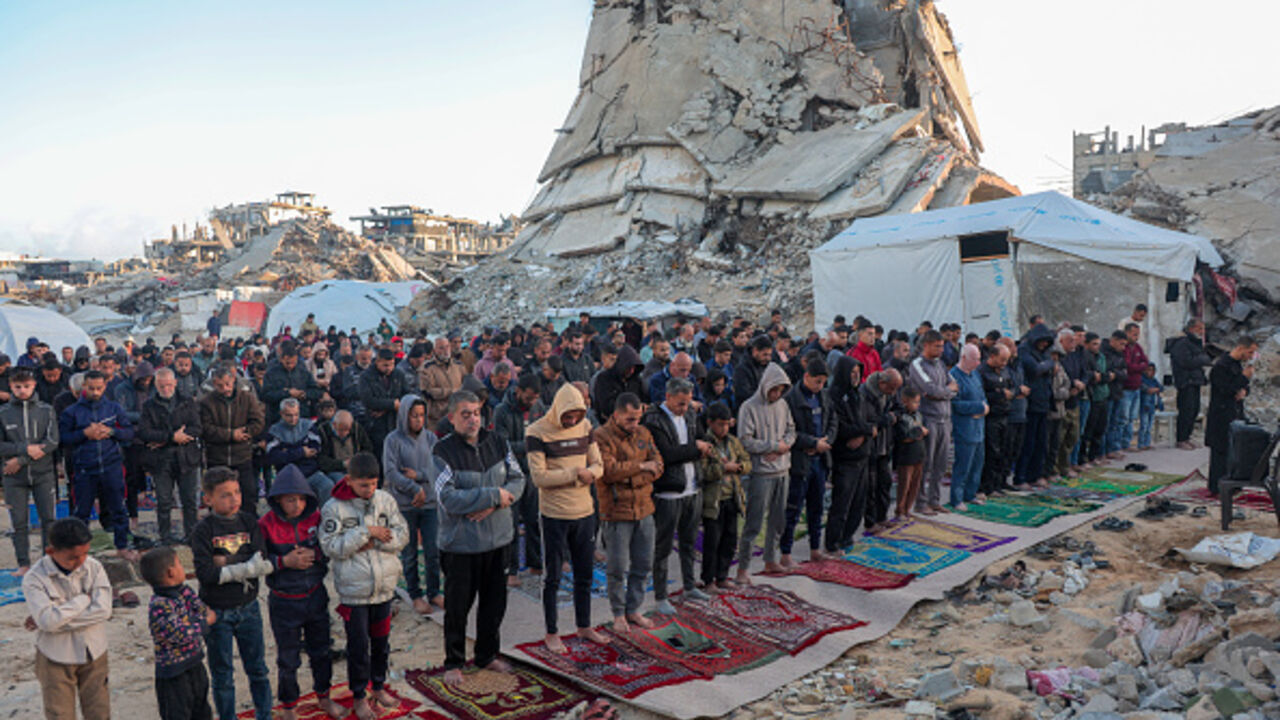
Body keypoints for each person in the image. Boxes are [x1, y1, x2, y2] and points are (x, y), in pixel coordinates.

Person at [433, 391, 524, 686]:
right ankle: (454, 661)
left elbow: (518, 479)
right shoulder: (442, 452)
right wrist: (491, 494)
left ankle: (487, 654)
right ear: (452, 418)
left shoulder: (498, 442)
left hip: (498, 540)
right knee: (458, 607)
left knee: (494, 604)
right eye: (465, 414)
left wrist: (495, 503)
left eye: (476, 413)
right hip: (461, 545)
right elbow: (447, 498)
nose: (473, 419)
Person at [318, 452, 408, 720]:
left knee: (381, 643)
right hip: (354, 592)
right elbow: (331, 546)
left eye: (373, 483)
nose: (369, 490)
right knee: (358, 647)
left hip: (384, 587)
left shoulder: (385, 500)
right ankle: (359, 695)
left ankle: (378, 687)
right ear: (349, 480)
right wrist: (363, 533)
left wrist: (379, 540)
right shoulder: (333, 508)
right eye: (363, 485)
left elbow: (401, 534)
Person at [526, 384, 606, 650]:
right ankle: (552, 632)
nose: (572, 421)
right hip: (555, 515)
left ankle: (584, 626)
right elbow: (539, 477)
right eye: (567, 416)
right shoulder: (536, 431)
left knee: (585, 574)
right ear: (558, 409)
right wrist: (575, 473)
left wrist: (591, 474)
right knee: (553, 578)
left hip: (584, 512)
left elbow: (598, 465)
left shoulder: (585, 428)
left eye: (576, 415)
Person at [256, 466, 339, 720]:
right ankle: (289, 706)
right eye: (291, 499)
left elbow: (331, 546)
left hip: (315, 595)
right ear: (278, 499)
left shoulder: (316, 519)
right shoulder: (265, 524)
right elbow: (258, 560)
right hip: (284, 601)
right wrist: (284, 562)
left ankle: (324, 696)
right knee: (288, 659)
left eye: (302, 498)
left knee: (321, 651)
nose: (297, 504)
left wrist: (317, 554)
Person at [191, 466, 274, 720]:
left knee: (258, 669)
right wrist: (244, 565)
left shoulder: (249, 521)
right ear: (208, 499)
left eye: (236, 492)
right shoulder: (203, 531)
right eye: (225, 494)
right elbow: (206, 573)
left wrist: (226, 563)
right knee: (223, 675)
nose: (234, 499)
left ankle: (265, 714)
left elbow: (262, 562)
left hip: (249, 607)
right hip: (216, 612)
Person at [22, 518, 113, 720]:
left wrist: (55, 618)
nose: (80, 561)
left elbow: (104, 610)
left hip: (94, 651)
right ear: (50, 551)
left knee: (99, 711)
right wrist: (82, 600)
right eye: (72, 557)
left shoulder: (94, 567)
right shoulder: (34, 578)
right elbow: (47, 622)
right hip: (55, 656)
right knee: (59, 713)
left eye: (85, 553)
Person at [593, 392, 662, 632]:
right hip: (616, 512)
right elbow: (609, 472)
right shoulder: (601, 436)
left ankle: (634, 609)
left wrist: (632, 476)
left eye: (637, 418)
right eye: (629, 420)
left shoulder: (644, 433)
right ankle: (618, 613)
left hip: (644, 509)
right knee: (617, 568)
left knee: (643, 564)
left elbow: (659, 465)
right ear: (616, 415)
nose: (635, 424)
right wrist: (642, 468)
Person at [642, 377, 710, 612]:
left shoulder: (689, 414)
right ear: (668, 397)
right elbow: (667, 454)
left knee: (689, 543)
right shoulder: (654, 420)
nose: (685, 408)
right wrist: (696, 449)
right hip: (668, 493)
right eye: (680, 404)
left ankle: (689, 585)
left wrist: (702, 446)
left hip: (692, 487)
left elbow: (700, 438)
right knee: (663, 547)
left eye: (688, 403)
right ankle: (661, 596)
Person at [60, 370, 135, 557]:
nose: (95, 392)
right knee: (81, 513)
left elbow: (129, 433)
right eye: (91, 388)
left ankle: (122, 546)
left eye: (99, 388)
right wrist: (85, 434)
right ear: (84, 386)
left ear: (105, 387)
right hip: (84, 468)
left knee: (118, 509)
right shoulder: (72, 412)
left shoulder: (114, 408)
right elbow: (63, 439)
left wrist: (111, 432)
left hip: (111, 465)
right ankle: (78, 550)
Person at [734, 363, 795, 582]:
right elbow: (746, 440)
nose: (776, 394)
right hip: (761, 473)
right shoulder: (748, 407)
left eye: (780, 390)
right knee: (754, 522)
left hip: (782, 470)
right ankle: (743, 569)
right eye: (774, 389)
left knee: (778, 520)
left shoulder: (783, 405)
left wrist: (783, 447)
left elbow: (791, 430)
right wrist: (772, 446)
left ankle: (771, 559)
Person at [383, 395, 443, 616]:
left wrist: (419, 477)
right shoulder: (393, 440)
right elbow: (391, 472)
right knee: (409, 553)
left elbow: (439, 468)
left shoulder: (431, 438)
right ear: (404, 416)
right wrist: (413, 488)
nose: (418, 420)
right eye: (414, 416)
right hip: (405, 504)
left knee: (433, 550)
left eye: (421, 416)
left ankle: (435, 591)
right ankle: (416, 594)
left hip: (429, 502)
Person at [141, 546, 214, 720]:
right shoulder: (159, 605)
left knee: (202, 709)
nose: (183, 568)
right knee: (177, 713)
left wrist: (199, 619)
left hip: (195, 663)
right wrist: (205, 623)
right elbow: (180, 633)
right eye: (180, 564)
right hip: (174, 673)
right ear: (171, 572)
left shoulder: (184, 592)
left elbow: (201, 609)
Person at [1, 368, 58, 573]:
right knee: (19, 522)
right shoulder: (3, 413)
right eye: (18, 387)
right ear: (10, 386)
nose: (22, 391)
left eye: (26, 386)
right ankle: (23, 563)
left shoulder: (46, 409)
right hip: (13, 476)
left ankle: (48, 561)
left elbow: (52, 442)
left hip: (43, 474)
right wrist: (24, 449)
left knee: (48, 519)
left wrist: (22, 459)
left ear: (33, 385)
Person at [140, 367, 204, 543]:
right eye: (162, 386)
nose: (166, 389)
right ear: (156, 385)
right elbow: (145, 433)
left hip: (187, 457)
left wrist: (174, 438)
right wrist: (171, 437)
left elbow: (197, 427)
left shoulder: (187, 402)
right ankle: (165, 536)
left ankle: (192, 535)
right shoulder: (149, 406)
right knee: (164, 501)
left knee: (190, 501)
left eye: (169, 385)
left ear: (175, 383)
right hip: (162, 460)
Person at [782, 360, 836, 564]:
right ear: (806, 377)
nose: (820, 386)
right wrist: (812, 442)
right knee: (793, 509)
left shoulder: (824, 396)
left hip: (820, 459)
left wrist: (826, 441)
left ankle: (815, 548)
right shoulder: (791, 399)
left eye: (823, 382)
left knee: (817, 507)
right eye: (817, 382)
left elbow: (833, 421)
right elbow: (788, 431)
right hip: (800, 460)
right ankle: (786, 552)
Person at [493, 373, 544, 585]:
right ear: (518, 391)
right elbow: (502, 446)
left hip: (532, 472)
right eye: (528, 397)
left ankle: (535, 563)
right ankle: (511, 569)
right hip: (511, 475)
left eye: (534, 399)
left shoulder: (538, 407)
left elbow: (543, 434)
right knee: (511, 524)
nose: (531, 402)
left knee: (533, 521)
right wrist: (529, 446)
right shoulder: (501, 411)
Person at [200, 365, 266, 517]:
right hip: (217, 457)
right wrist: (230, 434)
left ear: (234, 381)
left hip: (242, 455)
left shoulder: (247, 398)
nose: (225, 389)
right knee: (217, 496)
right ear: (214, 385)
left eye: (228, 384)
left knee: (247, 495)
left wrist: (245, 433)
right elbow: (206, 429)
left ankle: (250, 528)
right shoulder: (206, 402)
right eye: (220, 386)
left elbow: (258, 422)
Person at [699, 401, 750, 588]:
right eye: (720, 424)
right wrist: (723, 468)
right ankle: (708, 579)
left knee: (729, 540)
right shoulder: (705, 443)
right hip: (714, 500)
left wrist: (739, 468)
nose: (724, 428)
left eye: (727, 424)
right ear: (710, 423)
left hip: (732, 497)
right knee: (712, 542)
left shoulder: (733, 442)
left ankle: (722, 576)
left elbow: (746, 460)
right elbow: (703, 472)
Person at [907, 330, 956, 515]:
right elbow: (929, 390)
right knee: (925, 463)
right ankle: (920, 502)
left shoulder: (941, 364)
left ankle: (934, 500)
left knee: (941, 464)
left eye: (942, 346)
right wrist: (944, 392)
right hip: (928, 419)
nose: (941, 350)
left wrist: (942, 392)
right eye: (937, 346)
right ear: (926, 345)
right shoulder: (917, 365)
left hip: (945, 420)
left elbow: (954, 386)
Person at [825, 356, 870, 550]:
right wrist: (863, 430)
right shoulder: (834, 396)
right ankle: (833, 543)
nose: (855, 376)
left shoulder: (857, 395)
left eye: (858, 373)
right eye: (852, 373)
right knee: (841, 504)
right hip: (845, 458)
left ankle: (847, 537)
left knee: (858, 503)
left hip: (862, 456)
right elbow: (841, 428)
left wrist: (863, 432)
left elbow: (868, 423)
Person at [1206, 336, 1256, 495]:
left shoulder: (1237, 365)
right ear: (1240, 348)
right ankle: (1218, 487)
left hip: (1234, 413)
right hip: (1221, 415)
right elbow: (1224, 389)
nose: (1251, 356)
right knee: (1220, 453)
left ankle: (1233, 485)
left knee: (1234, 451)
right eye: (1250, 352)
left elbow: (1243, 387)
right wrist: (1243, 378)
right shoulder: (1221, 366)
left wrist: (1244, 391)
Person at [859, 369, 902, 532]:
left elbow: (899, 409)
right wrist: (887, 419)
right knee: (870, 486)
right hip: (871, 447)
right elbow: (866, 420)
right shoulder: (865, 393)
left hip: (885, 444)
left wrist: (893, 417)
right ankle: (870, 522)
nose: (894, 392)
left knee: (885, 483)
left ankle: (882, 517)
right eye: (891, 388)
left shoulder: (891, 392)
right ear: (881, 383)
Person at [1013, 323, 1055, 488]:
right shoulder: (1025, 350)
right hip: (1030, 404)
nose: (1044, 344)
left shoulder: (1044, 353)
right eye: (1042, 341)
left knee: (1041, 443)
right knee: (1028, 443)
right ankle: (1021, 477)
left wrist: (1047, 365)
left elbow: (1046, 365)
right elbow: (1035, 369)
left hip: (1043, 402)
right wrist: (1049, 365)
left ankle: (1036, 475)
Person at [265, 398, 329, 501]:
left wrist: (288, 452)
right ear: (281, 413)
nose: (293, 418)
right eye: (289, 415)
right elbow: (274, 457)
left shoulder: (308, 425)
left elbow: (315, 448)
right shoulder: (274, 431)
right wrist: (301, 452)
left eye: (296, 414)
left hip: (311, 472)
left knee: (328, 486)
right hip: (288, 477)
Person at [948, 345, 987, 511]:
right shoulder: (954, 377)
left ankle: (970, 494)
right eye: (975, 359)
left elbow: (982, 396)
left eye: (979, 359)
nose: (978, 363)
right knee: (963, 465)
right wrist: (978, 407)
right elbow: (955, 404)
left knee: (977, 464)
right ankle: (956, 499)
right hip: (965, 427)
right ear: (963, 358)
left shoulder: (975, 375)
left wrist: (984, 406)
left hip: (979, 426)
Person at [978, 345, 1014, 498]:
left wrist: (1011, 393)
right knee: (991, 452)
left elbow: (1012, 386)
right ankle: (986, 486)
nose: (1004, 363)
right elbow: (982, 394)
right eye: (1002, 360)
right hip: (990, 417)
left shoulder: (1005, 371)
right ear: (992, 356)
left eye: (1006, 360)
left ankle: (998, 483)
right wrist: (999, 394)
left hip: (1005, 415)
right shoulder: (981, 372)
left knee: (1003, 451)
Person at [1170, 319, 1211, 450]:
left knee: (1194, 410)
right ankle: (1181, 439)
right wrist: (1202, 359)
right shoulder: (1182, 343)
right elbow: (1186, 361)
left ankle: (1187, 437)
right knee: (1186, 411)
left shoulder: (1194, 343)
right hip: (1186, 381)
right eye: (1200, 329)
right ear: (1192, 329)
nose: (1202, 332)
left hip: (1195, 381)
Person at [358, 349, 407, 458]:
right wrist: (392, 404)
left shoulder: (398, 374)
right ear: (377, 362)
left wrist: (388, 407)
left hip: (396, 422)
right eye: (385, 365)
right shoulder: (366, 377)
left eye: (392, 365)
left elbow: (406, 395)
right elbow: (368, 400)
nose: (389, 368)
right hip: (375, 425)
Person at [262, 342, 322, 427]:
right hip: (278, 418)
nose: (290, 365)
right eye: (287, 363)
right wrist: (287, 393)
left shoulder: (304, 373)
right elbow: (265, 395)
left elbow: (316, 392)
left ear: (297, 359)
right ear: (281, 359)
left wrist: (304, 394)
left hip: (302, 415)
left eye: (293, 362)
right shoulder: (271, 374)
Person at [892, 387, 927, 521]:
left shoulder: (918, 415)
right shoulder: (901, 416)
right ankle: (899, 511)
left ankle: (908, 509)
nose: (917, 405)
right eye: (915, 402)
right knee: (904, 485)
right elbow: (905, 436)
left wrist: (918, 432)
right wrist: (919, 431)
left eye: (918, 402)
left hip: (919, 453)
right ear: (905, 401)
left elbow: (921, 432)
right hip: (906, 455)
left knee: (915, 484)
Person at [316, 409, 373, 489]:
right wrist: (342, 464)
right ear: (334, 425)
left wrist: (357, 460)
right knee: (345, 483)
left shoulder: (357, 429)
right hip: (334, 470)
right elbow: (321, 460)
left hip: (356, 467)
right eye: (342, 430)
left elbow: (368, 449)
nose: (345, 433)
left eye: (348, 430)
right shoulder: (323, 432)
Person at [419, 337, 465, 431]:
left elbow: (466, 385)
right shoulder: (427, 368)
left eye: (447, 346)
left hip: (457, 415)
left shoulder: (459, 366)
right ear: (435, 350)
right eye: (441, 348)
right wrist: (452, 391)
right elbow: (428, 391)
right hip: (437, 417)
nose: (445, 350)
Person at [1119, 323, 1149, 452]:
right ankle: (1119, 445)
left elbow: (1146, 362)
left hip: (1136, 387)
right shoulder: (1123, 348)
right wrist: (1139, 367)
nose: (1136, 337)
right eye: (1134, 334)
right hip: (1126, 388)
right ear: (1127, 333)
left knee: (1132, 418)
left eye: (1138, 334)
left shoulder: (1137, 348)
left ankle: (1127, 443)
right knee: (1123, 418)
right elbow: (1128, 366)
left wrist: (1138, 367)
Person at [1102, 331, 1130, 461]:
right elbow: (1106, 371)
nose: (1123, 347)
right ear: (1113, 341)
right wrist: (1116, 374)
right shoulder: (1104, 353)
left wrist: (1116, 374)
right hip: (1107, 393)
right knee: (1105, 424)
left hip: (1118, 391)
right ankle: (1103, 451)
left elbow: (1124, 373)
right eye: (1121, 344)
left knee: (1116, 423)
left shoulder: (1120, 354)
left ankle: (1113, 448)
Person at [1138, 364, 1164, 451]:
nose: (1150, 372)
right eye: (1148, 370)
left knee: (1149, 427)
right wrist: (1155, 389)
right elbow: (1147, 390)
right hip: (1145, 406)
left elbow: (1161, 388)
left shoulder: (1154, 380)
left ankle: (1147, 443)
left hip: (1153, 406)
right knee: (1144, 426)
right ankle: (1141, 444)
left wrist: (1156, 389)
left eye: (1152, 370)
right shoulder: (1142, 380)